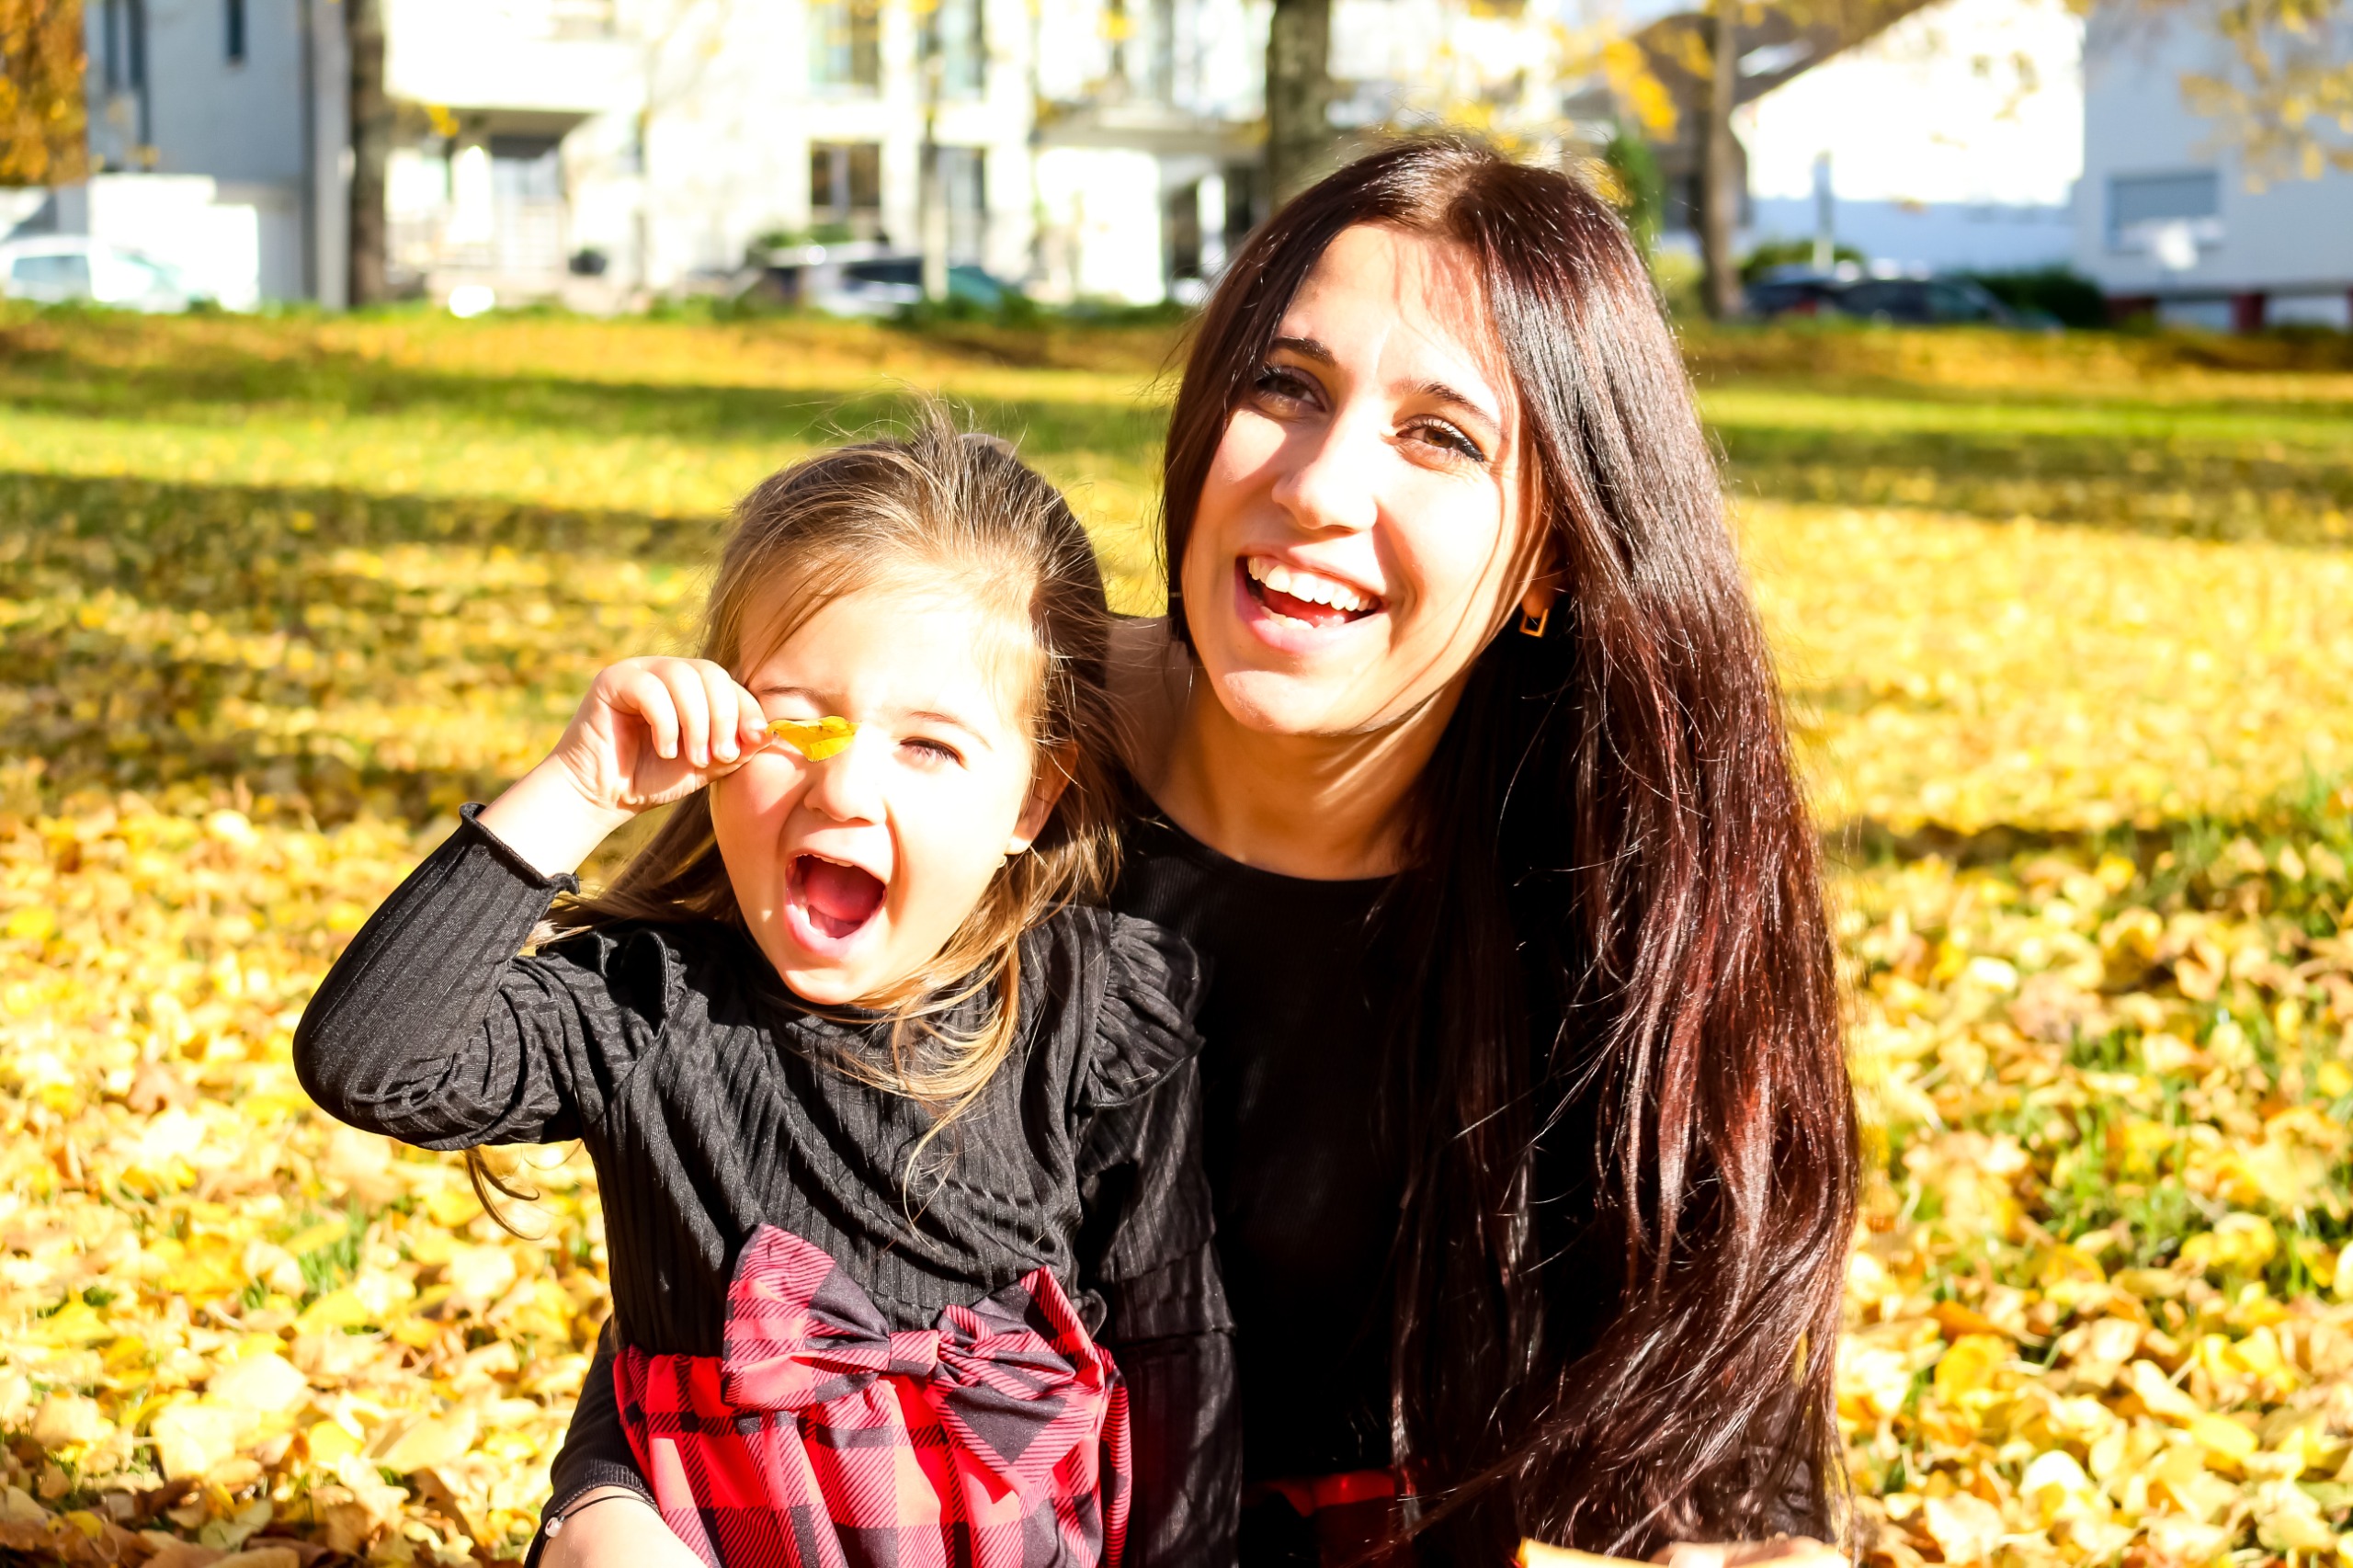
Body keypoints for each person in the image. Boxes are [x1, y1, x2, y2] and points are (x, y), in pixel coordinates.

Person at [539, 137, 1859, 1568]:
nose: (1317, 486)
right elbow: (717, 1184)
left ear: (1551, 555)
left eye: (1441, 436)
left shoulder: (1610, 886)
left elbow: (1710, 1445)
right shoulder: (969, 756)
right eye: (1283, 386)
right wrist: (604, 1513)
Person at [294, 417, 1232, 1568]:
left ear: (1031, 801)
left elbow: (1175, 1329)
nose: (842, 784)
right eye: (798, 721)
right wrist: (579, 787)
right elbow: (371, 1060)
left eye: (928, 746)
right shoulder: (646, 1004)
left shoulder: (1088, 1009)